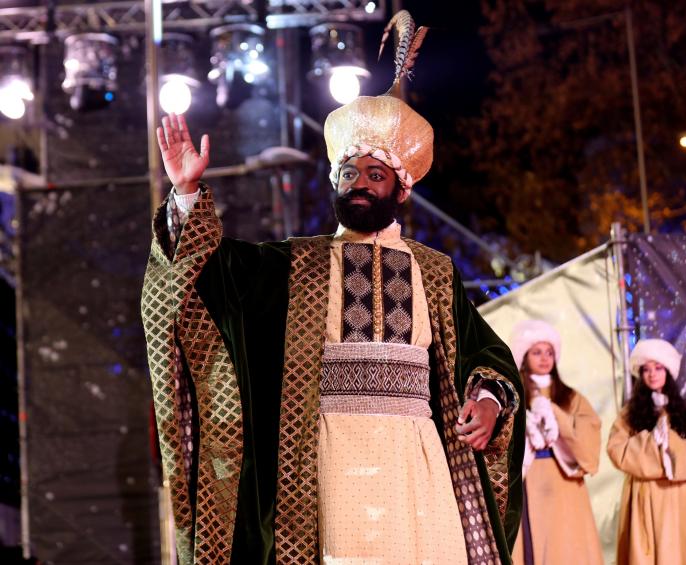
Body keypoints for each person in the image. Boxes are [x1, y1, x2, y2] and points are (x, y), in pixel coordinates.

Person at [140, 11, 524, 565]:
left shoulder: (435, 270)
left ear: (401, 190)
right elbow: (209, 279)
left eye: (375, 174)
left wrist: (488, 398)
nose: (360, 184)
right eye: (350, 174)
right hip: (325, 460)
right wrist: (186, 196)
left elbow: (483, 351)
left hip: (418, 460)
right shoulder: (294, 264)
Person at [607, 338, 686, 565]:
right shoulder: (630, 413)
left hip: (678, 495)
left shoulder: (682, 411)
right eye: (646, 369)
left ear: (668, 371)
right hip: (644, 493)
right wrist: (649, 440)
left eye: (658, 368)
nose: (652, 374)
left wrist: (671, 443)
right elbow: (616, 449)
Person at [508, 320, 603, 565]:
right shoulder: (513, 395)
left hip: (564, 484)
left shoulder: (569, 397)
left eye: (549, 352)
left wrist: (556, 415)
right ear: (524, 356)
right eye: (537, 352)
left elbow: (589, 432)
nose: (544, 358)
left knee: (566, 547)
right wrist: (524, 430)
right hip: (528, 480)